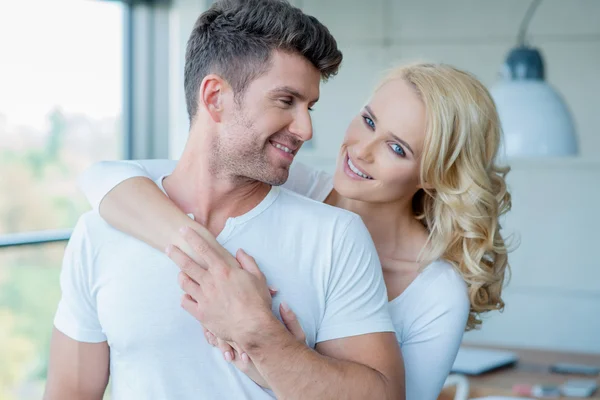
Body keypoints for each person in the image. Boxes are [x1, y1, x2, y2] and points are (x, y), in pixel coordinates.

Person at [78, 62, 512, 399]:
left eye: (397, 148)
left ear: (436, 174)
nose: (361, 150)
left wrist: (276, 360)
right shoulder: (293, 186)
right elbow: (106, 177)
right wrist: (210, 261)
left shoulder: (436, 293)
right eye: (368, 120)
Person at [44, 1, 407, 399]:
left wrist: (260, 334)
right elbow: (71, 392)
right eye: (286, 101)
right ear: (215, 97)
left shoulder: (337, 236)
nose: (305, 129)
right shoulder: (99, 232)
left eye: (309, 107)